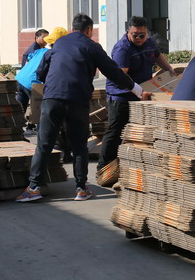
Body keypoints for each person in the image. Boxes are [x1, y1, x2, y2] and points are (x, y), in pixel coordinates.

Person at [16, 14, 150, 202]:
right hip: (77, 99)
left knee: (44, 144)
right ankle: (81, 189)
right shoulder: (92, 46)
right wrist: (137, 90)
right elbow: (113, 71)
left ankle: (33, 188)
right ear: (89, 30)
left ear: (72, 28)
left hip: (52, 98)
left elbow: (41, 72)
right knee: (79, 146)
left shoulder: (58, 44)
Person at [97, 16, 175, 171]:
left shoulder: (149, 42)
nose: (139, 38)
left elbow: (157, 55)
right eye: (135, 35)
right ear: (128, 32)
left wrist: (169, 70)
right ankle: (104, 167)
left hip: (142, 93)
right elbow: (122, 76)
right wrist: (139, 91)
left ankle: (131, 164)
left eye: (142, 35)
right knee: (116, 132)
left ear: (147, 33)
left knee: (141, 130)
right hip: (121, 95)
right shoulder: (122, 49)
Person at [16, 28, 62, 133]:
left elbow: (29, 57)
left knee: (20, 107)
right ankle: (33, 128)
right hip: (32, 82)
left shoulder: (39, 50)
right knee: (39, 107)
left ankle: (17, 131)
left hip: (20, 79)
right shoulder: (52, 53)